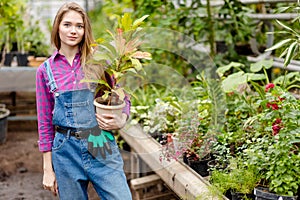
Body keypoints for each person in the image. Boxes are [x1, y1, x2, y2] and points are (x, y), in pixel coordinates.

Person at [35, 2, 132, 199]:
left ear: (85, 30)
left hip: (100, 143)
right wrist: (48, 169)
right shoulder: (45, 71)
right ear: (58, 28)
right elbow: (44, 122)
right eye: (67, 25)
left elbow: (122, 97)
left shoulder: (99, 63)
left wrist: (122, 119)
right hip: (65, 151)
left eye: (79, 26)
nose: (73, 31)